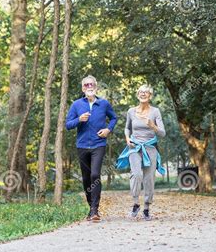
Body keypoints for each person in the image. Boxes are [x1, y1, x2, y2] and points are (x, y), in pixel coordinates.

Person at [66, 75, 117, 222]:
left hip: (98, 144)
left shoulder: (104, 104)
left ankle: (95, 210)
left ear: (96, 87)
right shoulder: (76, 105)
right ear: (83, 88)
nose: (89, 87)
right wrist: (78, 120)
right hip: (82, 145)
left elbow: (114, 118)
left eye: (92, 84)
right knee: (86, 178)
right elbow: (68, 125)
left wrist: (108, 130)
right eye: (86, 85)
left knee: (95, 175)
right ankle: (91, 207)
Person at [116, 84, 166, 221]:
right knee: (136, 174)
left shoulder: (155, 112)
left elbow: (162, 133)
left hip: (150, 147)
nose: (143, 94)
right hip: (134, 147)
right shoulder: (131, 111)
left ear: (150, 96)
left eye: (146, 92)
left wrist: (153, 126)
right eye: (140, 92)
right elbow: (127, 128)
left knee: (149, 178)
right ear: (137, 95)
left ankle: (146, 208)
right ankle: (136, 202)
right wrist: (127, 138)